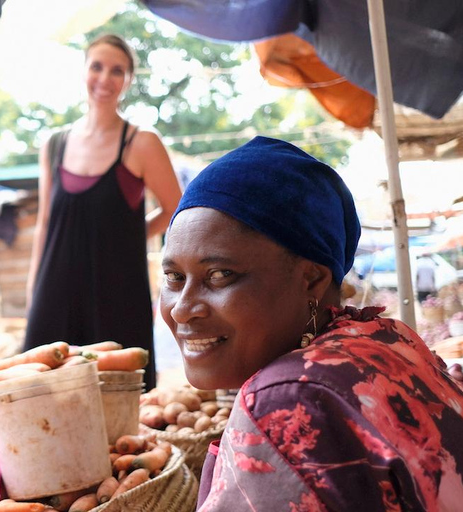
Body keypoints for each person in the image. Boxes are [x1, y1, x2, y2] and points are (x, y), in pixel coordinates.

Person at [160, 136, 463, 511]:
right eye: (174, 278)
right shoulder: (389, 339)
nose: (182, 308)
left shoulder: (288, 398)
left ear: (312, 280)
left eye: (221, 274)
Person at [24, 33, 182, 391]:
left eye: (117, 71)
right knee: (43, 394)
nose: (105, 78)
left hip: (117, 292)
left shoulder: (142, 142)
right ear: (83, 71)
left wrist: (128, 235)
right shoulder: (54, 144)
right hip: (57, 289)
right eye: (97, 66)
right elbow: (45, 223)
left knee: (118, 397)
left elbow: (177, 210)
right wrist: (35, 292)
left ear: (128, 81)